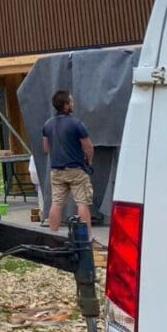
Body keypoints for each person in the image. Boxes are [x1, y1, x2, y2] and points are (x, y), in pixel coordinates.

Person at [39, 88, 95, 232]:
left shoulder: (47, 124)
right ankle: (86, 239)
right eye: (71, 101)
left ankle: (53, 237)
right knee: (82, 203)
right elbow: (88, 147)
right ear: (66, 105)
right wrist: (89, 161)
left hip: (56, 171)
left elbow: (45, 149)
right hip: (76, 170)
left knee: (56, 203)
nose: (73, 103)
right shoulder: (77, 124)